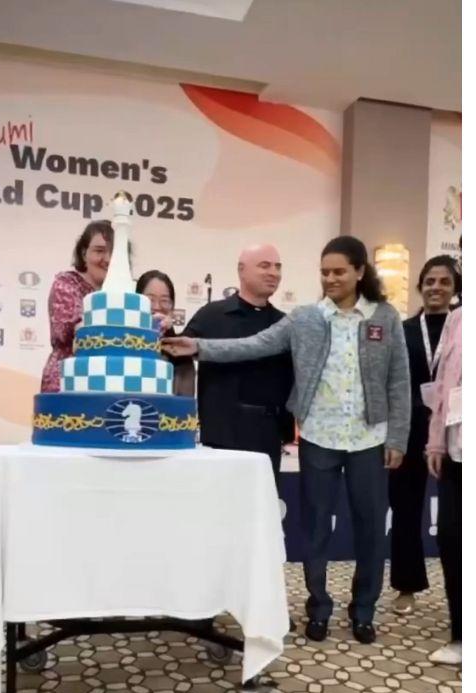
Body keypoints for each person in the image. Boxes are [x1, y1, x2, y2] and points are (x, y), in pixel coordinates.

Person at [165, 236, 409, 645]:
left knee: (370, 529)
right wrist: (198, 347)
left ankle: (364, 611)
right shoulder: (305, 318)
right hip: (317, 436)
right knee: (315, 528)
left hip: (370, 438)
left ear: (359, 272)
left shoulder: (384, 318)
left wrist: (397, 437)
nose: (330, 279)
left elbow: (398, 380)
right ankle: (319, 608)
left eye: (339, 272)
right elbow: (253, 345)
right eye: (324, 272)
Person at [180, 245, 294, 488]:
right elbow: (178, 353)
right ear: (242, 270)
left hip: (267, 440)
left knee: (261, 506)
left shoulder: (284, 324)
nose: (273, 273)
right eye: (264, 266)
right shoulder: (211, 315)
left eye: (278, 267)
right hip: (220, 439)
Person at [388, 256, 461, 614]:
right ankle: (407, 585)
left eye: (444, 282)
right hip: (411, 427)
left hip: (454, 428)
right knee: (405, 508)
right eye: (430, 281)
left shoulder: (462, 329)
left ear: (455, 289)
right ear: (419, 286)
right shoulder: (402, 330)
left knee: (457, 517)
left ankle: (460, 597)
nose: (436, 288)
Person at [425, 307, 462, 666]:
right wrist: (436, 442)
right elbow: (443, 386)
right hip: (456, 449)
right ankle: (461, 635)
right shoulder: (457, 318)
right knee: (452, 541)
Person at [40, 221, 114, 393]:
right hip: (67, 384)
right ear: (83, 253)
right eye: (99, 251)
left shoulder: (124, 293)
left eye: (113, 252)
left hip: (109, 383)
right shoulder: (66, 285)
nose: (108, 259)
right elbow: (76, 332)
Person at [136, 269, 196, 397]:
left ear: (172, 307)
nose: (157, 306)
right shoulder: (125, 343)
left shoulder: (181, 354)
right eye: (150, 299)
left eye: (164, 300)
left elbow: (183, 400)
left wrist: (167, 333)